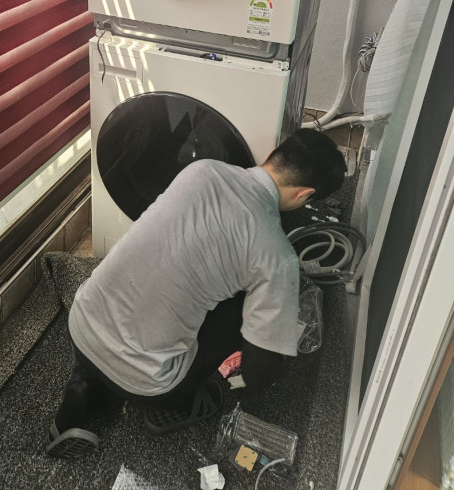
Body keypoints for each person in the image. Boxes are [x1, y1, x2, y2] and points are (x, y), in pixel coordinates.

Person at [46, 129, 346, 458]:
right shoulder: (276, 256)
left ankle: (84, 384)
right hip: (147, 382)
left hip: (81, 325)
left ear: (274, 154)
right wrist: (258, 359)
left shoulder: (201, 169)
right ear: (304, 194)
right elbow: (261, 371)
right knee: (241, 304)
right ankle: (179, 397)